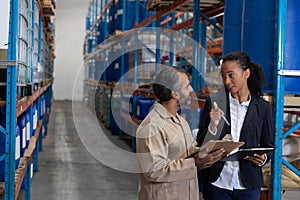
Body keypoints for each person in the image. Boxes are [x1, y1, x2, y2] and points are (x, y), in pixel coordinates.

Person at [136, 66, 225, 200]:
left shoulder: (180, 121)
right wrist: (194, 162)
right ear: (175, 93)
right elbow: (154, 171)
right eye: (187, 86)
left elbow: (187, 152)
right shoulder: (152, 127)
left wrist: (209, 150)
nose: (191, 90)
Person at [196, 51, 274, 200]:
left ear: (246, 73)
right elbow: (201, 142)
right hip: (217, 182)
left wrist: (263, 158)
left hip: (247, 184)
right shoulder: (214, 102)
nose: (226, 81)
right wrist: (213, 126)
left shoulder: (263, 107)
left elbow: (269, 144)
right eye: (223, 76)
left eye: (231, 75)